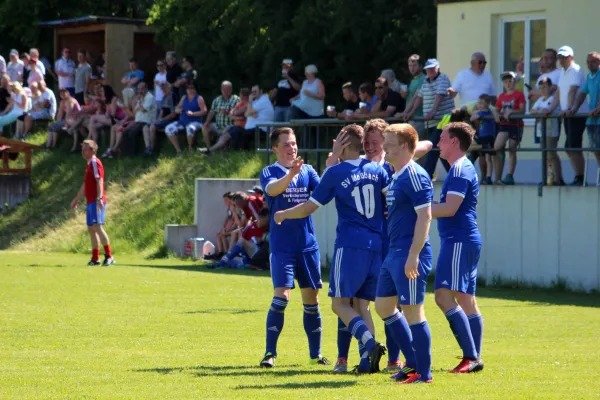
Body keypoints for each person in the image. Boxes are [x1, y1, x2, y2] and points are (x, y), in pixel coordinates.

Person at [274, 125, 388, 374]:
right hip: (376, 246)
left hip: (350, 246)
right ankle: (367, 363)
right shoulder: (377, 169)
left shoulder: (335, 172)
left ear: (344, 143)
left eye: (338, 140)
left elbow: (308, 207)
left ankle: (370, 344)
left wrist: (283, 214)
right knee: (362, 306)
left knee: (339, 305)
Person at [329, 119, 432, 374]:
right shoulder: (382, 171)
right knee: (370, 304)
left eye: (380, 143)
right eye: (369, 143)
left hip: (389, 247)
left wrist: (407, 149)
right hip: (384, 248)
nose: (375, 147)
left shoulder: (394, 170)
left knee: (399, 307)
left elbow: (426, 145)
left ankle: (405, 363)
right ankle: (348, 357)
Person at [257, 127, 328, 368]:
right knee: (282, 297)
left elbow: (323, 193)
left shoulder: (307, 171)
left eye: (294, 143)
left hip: (307, 246)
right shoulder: (269, 172)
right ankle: (269, 354)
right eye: (286, 144)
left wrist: (332, 166)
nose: (292, 148)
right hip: (283, 248)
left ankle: (315, 355)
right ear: (275, 148)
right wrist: (290, 175)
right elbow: (272, 190)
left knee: (312, 300)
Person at [374, 123, 434, 384]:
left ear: (404, 147)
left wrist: (414, 255)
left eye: (389, 143)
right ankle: (412, 364)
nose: (383, 147)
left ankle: (424, 373)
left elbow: (425, 217)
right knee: (384, 306)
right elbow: (422, 145)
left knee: (413, 311)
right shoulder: (397, 173)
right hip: (394, 251)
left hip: (409, 252)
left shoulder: (415, 176)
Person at [431, 122, 484, 373]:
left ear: (454, 142)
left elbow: (450, 208)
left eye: (442, 138)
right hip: (465, 240)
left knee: (443, 296)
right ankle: (473, 358)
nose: (438, 143)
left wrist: (417, 210)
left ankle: (471, 357)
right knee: (466, 300)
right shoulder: (460, 168)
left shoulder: (460, 169)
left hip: (459, 242)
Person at [70, 139, 115, 267]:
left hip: (96, 201)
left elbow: (99, 180)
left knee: (98, 227)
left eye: (85, 149)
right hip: (90, 201)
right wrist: (76, 199)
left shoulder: (95, 162)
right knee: (91, 229)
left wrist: (99, 198)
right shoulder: (89, 164)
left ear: (93, 150)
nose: (83, 151)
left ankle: (109, 256)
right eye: (82, 149)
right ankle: (95, 258)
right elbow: (85, 185)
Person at [494, 71, 526, 185]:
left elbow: (522, 110)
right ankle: (498, 176)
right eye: (506, 82)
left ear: (514, 82)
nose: (508, 84)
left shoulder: (519, 94)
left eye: (510, 81)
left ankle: (509, 175)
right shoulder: (501, 96)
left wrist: (511, 111)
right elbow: (497, 108)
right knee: (498, 147)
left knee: (512, 148)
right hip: (504, 125)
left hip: (516, 125)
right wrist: (497, 114)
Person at [530, 77, 563, 185]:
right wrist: (540, 112)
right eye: (540, 88)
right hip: (541, 130)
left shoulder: (553, 99)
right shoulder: (540, 100)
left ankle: (557, 179)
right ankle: (548, 178)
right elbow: (533, 111)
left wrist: (541, 112)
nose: (542, 90)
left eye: (544, 87)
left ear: (550, 87)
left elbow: (548, 111)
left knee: (551, 153)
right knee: (545, 154)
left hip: (551, 130)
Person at [165, 84, 207, 154]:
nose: (190, 90)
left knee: (190, 128)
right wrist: (179, 110)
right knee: (168, 128)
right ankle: (178, 150)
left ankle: (190, 148)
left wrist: (193, 114)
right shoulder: (184, 97)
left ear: (195, 89)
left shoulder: (199, 98)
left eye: (192, 88)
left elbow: (204, 111)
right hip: (182, 122)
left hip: (196, 121)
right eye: (188, 88)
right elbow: (176, 108)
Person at [470, 95, 498, 184]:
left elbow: (472, 118)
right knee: (487, 158)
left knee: (487, 157)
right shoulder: (488, 111)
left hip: (487, 137)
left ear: (487, 104)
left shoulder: (483, 112)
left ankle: (488, 177)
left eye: (482, 103)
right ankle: (488, 177)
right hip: (485, 136)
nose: (479, 105)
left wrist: (475, 112)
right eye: (479, 103)